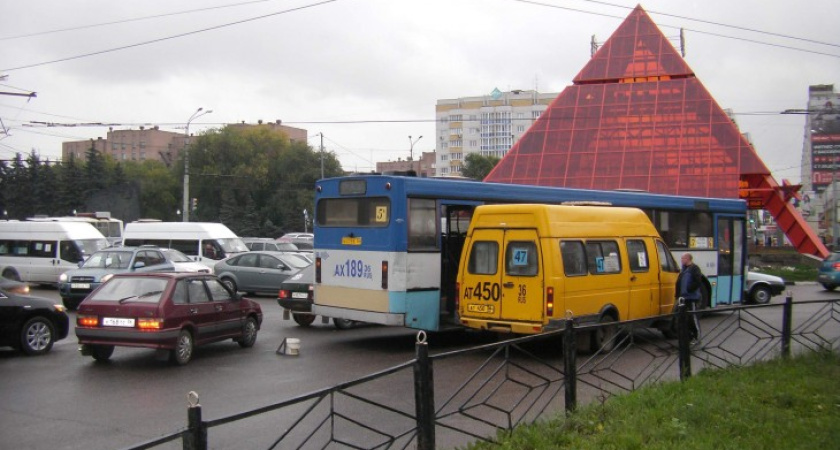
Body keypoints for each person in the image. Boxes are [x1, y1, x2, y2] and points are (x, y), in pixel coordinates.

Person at [675, 252, 702, 341]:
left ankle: (697, 337)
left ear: (688, 259)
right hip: (683, 298)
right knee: (683, 319)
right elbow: (679, 282)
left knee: (692, 318)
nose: (681, 260)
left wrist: (689, 289)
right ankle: (688, 337)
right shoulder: (683, 269)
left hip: (692, 298)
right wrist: (677, 295)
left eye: (683, 258)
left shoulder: (694, 268)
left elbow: (698, 282)